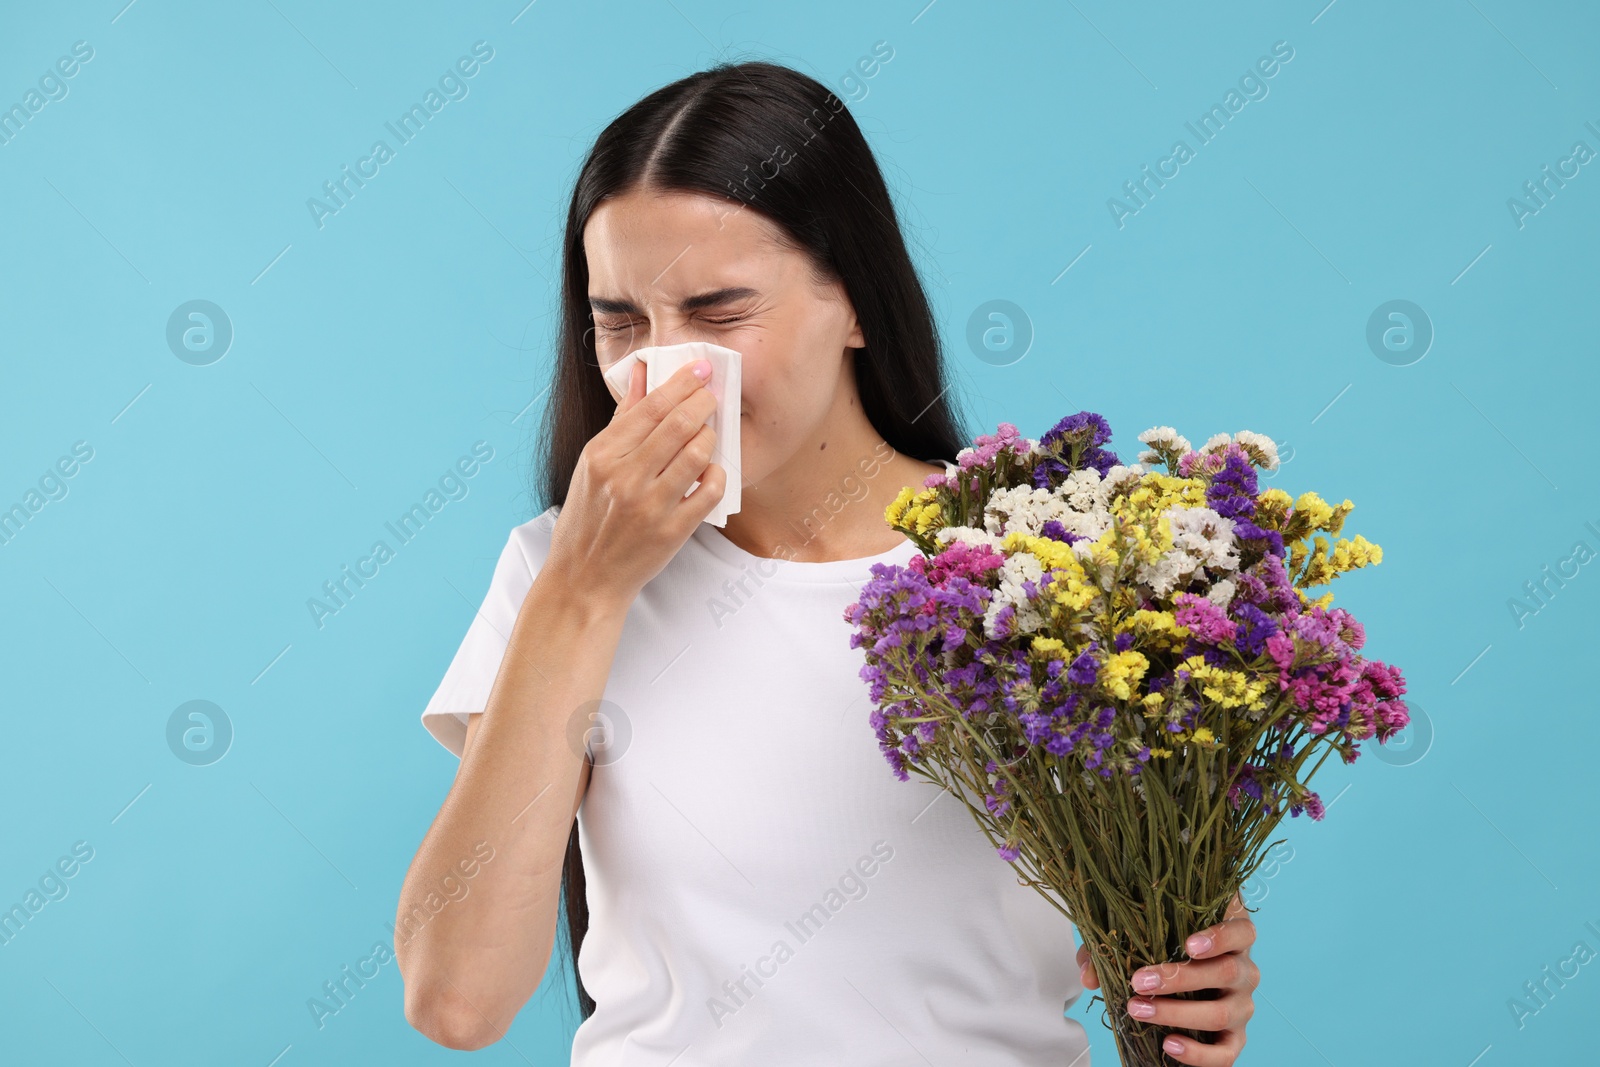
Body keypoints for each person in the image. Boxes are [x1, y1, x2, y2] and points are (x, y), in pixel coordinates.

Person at [395, 59, 1259, 1065]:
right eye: (619, 321)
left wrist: (1200, 971)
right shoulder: (555, 575)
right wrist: (582, 592)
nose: (662, 369)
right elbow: (456, 1001)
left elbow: (1170, 916)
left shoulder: (1047, 565)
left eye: (719, 312)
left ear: (853, 304)